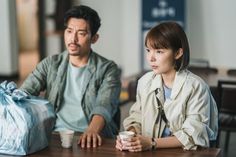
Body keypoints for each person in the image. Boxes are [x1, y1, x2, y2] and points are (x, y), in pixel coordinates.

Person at [20, 5, 121, 148]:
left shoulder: (108, 69)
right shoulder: (51, 64)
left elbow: (105, 105)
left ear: (94, 38)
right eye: (69, 31)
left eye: (81, 33)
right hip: (55, 137)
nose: (72, 39)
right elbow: (24, 93)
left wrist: (92, 131)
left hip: (91, 139)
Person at [115, 21, 218, 152]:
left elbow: (192, 135)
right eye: (148, 50)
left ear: (178, 53)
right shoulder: (145, 82)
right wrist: (129, 137)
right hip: (150, 152)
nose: (151, 58)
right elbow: (136, 118)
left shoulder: (196, 87)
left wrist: (152, 143)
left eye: (159, 51)